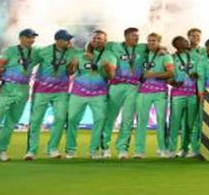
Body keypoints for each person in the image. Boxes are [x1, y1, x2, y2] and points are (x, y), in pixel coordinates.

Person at [0, 28, 39, 162]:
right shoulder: (10, 51)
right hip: (7, 88)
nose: (31, 40)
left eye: (33, 37)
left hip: (23, 89)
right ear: (21, 38)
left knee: (11, 123)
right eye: (29, 37)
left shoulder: (35, 53)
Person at [25, 29, 74, 160]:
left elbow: (72, 69)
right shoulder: (43, 51)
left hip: (61, 92)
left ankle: (52, 148)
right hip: (41, 91)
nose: (69, 42)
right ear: (57, 40)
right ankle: (31, 151)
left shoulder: (71, 53)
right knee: (35, 121)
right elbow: (29, 64)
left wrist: (73, 64)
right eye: (66, 39)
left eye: (69, 39)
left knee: (60, 119)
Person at [101, 27, 146, 160]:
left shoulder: (142, 48)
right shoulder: (113, 46)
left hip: (133, 87)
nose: (137, 38)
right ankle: (105, 147)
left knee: (128, 119)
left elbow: (157, 47)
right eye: (133, 36)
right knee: (110, 118)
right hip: (116, 86)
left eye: (137, 36)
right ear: (126, 36)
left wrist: (161, 49)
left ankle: (122, 149)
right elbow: (95, 45)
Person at [65, 30, 109, 159]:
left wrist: (105, 67)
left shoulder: (108, 54)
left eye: (99, 38)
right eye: (94, 38)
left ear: (105, 41)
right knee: (72, 120)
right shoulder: (80, 54)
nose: (96, 40)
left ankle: (93, 150)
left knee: (99, 121)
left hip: (99, 94)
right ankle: (71, 150)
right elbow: (70, 72)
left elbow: (110, 75)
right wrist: (72, 66)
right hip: (78, 93)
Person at [134, 33, 174, 159]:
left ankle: (163, 149)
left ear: (159, 42)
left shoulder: (165, 56)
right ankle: (139, 151)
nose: (151, 43)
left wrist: (152, 75)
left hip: (159, 92)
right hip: (143, 92)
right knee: (141, 122)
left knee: (161, 121)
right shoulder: (144, 54)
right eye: (149, 40)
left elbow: (170, 73)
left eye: (154, 41)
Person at [168, 35, 200, 158]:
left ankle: (189, 149)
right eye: (184, 41)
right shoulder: (172, 58)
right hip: (177, 94)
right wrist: (172, 82)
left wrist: (197, 74)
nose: (187, 42)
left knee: (190, 124)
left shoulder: (196, 56)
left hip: (192, 93)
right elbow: (168, 75)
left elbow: (201, 70)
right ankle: (171, 150)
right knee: (175, 123)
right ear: (178, 45)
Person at [182, 27, 203, 154]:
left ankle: (196, 148)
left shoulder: (204, 52)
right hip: (185, 91)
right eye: (193, 35)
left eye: (198, 36)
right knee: (186, 123)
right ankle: (184, 148)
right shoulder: (182, 52)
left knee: (198, 122)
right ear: (188, 37)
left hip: (200, 91)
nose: (196, 38)